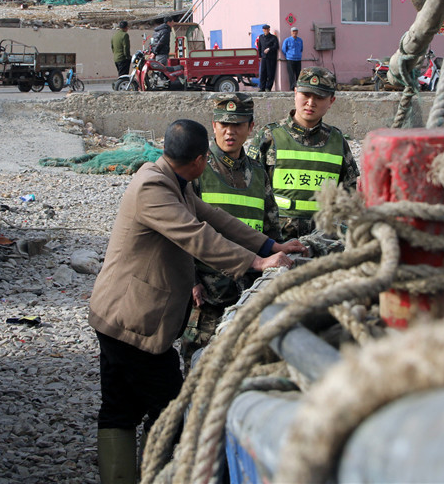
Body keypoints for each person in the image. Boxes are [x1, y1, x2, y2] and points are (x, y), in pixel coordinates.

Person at [88, 119, 305, 483]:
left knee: (121, 407)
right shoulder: (153, 188)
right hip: (130, 319)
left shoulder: (171, 179)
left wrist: (271, 246)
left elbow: (215, 218)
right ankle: (157, 473)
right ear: (201, 160)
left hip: (122, 315)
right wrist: (255, 263)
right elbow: (197, 235)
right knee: (171, 404)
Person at [184, 94, 301, 360]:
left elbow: (270, 230)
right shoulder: (196, 170)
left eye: (237, 125)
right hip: (207, 295)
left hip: (248, 292)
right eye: (223, 124)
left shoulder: (259, 174)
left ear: (250, 128)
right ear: (213, 126)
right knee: (198, 369)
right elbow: (182, 230)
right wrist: (190, 281)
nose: (230, 131)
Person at [248, 67, 360, 241]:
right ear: (295, 93)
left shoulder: (337, 141)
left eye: (319, 97)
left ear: (331, 101)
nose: (310, 102)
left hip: (324, 242)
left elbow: (350, 196)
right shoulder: (269, 137)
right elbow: (250, 192)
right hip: (277, 243)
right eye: (306, 95)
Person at [256, 24, 280, 92]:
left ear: (269, 30)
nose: (266, 30)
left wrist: (269, 49)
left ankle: (268, 87)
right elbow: (259, 47)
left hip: (271, 58)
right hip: (264, 58)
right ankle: (262, 87)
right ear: (263, 30)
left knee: (270, 73)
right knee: (263, 73)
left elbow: (276, 46)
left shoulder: (273, 37)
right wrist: (260, 56)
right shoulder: (261, 37)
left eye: (267, 29)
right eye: (265, 29)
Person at [281, 27, 304, 91]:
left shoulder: (300, 40)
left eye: (296, 31)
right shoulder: (287, 40)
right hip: (290, 59)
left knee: (298, 74)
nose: (295, 33)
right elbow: (283, 50)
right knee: (291, 74)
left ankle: (298, 88)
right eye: (293, 31)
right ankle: (292, 88)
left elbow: (301, 49)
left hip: (298, 59)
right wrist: (288, 56)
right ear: (291, 32)